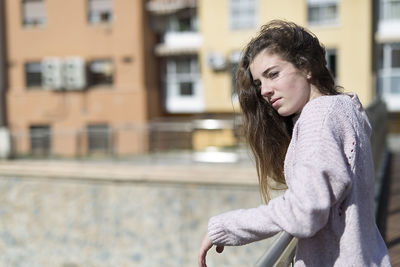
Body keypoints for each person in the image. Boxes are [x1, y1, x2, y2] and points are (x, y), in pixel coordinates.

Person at [198, 20, 391, 267]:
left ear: (306, 67)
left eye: (273, 74)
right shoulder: (344, 108)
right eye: (259, 83)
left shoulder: (319, 117)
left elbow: (304, 211)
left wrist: (225, 226)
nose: (265, 91)